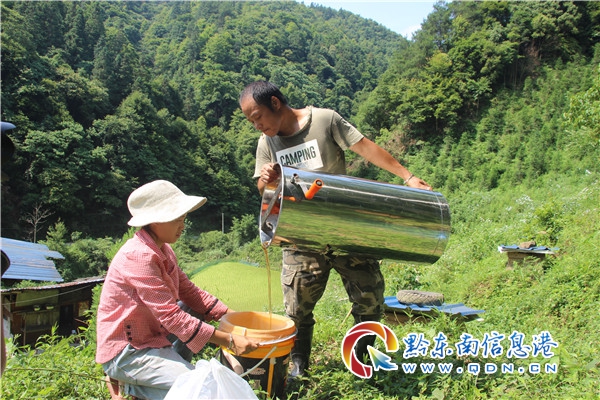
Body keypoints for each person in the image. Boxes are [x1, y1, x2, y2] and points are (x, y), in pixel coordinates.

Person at [239, 81, 433, 379]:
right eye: (251, 122)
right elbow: (263, 190)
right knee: (297, 306)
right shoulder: (267, 143)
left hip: (346, 227)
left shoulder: (324, 120)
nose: (257, 126)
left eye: (258, 117)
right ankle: (299, 364)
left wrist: (408, 177)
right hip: (301, 234)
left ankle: (363, 359)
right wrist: (268, 178)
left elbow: (364, 147)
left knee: (369, 297)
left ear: (275, 103)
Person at [96, 180, 259, 400]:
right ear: (155, 221)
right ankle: (129, 381)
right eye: (177, 220)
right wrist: (229, 340)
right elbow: (171, 316)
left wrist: (234, 318)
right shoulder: (139, 256)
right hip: (129, 349)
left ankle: (169, 369)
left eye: (184, 219)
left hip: (153, 334)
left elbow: (189, 291)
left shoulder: (163, 250)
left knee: (194, 309)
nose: (183, 226)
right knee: (198, 388)